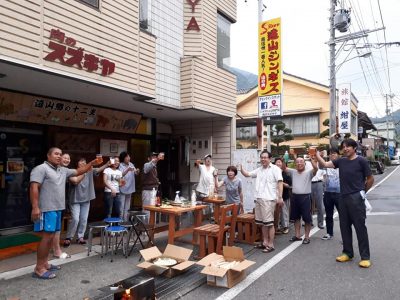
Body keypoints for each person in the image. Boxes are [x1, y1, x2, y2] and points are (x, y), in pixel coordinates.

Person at [30, 147, 98, 279]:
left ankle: (45, 263)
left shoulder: (62, 170)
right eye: (56, 154)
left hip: (58, 208)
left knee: (52, 237)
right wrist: (35, 207)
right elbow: (34, 187)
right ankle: (39, 268)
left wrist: (91, 164)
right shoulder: (41, 169)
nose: (59, 156)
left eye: (60, 154)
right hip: (47, 209)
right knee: (46, 237)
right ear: (48, 155)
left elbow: (79, 171)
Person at [316, 139, 374, 268]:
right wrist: (318, 156)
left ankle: (365, 257)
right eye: (344, 147)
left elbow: (370, 179)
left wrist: (363, 191)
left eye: (348, 146)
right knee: (344, 226)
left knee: (360, 227)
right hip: (343, 197)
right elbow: (325, 164)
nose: (345, 148)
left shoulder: (361, 161)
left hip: (356, 197)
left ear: (354, 148)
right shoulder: (341, 161)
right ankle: (347, 252)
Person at [240, 150, 283, 253]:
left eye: (265, 157)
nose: (263, 159)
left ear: (270, 158)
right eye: (261, 157)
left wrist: (280, 197)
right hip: (259, 198)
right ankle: (265, 242)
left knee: (269, 223)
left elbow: (280, 182)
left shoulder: (275, 169)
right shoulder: (259, 170)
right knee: (262, 223)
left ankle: (271, 244)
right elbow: (247, 174)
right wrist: (241, 168)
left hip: (269, 199)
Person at [63, 158, 109, 247]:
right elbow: (75, 181)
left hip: (86, 199)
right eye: (81, 161)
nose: (83, 163)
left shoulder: (90, 170)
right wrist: (85, 171)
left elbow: (99, 169)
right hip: (75, 199)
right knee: (75, 219)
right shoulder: (73, 172)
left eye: (84, 161)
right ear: (77, 164)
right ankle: (68, 237)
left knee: (84, 219)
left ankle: (80, 237)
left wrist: (107, 164)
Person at [287, 156, 318, 244]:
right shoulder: (293, 172)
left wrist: (312, 159)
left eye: (301, 161)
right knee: (296, 218)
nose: (299, 163)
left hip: (305, 198)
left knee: (307, 219)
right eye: (297, 162)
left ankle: (307, 237)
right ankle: (297, 235)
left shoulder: (309, 172)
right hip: (295, 197)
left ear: (304, 163)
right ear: (295, 164)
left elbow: (316, 168)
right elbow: (283, 168)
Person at [51, 153, 71, 259]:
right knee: (54, 228)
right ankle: (56, 250)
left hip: (61, 202)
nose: (67, 160)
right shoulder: (56, 169)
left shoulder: (65, 171)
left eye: (68, 158)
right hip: (53, 203)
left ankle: (56, 249)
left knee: (57, 227)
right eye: (65, 158)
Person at [320, 148, 341, 240]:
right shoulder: (326, 165)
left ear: (338, 155)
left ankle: (345, 236)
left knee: (343, 215)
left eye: (334, 153)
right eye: (330, 154)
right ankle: (329, 233)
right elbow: (321, 171)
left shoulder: (342, 164)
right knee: (328, 215)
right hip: (328, 193)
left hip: (340, 193)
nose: (332, 155)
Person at [141, 152, 163, 219]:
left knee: (154, 208)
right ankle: (146, 227)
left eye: (155, 157)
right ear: (148, 158)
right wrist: (157, 159)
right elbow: (147, 169)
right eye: (152, 157)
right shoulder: (146, 165)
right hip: (147, 190)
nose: (154, 158)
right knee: (147, 209)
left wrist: (157, 181)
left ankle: (153, 226)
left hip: (153, 190)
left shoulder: (154, 166)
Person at [119, 151, 140, 221]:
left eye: (129, 156)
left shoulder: (131, 164)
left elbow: (135, 173)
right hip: (122, 188)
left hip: (130, 187)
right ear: (123, 158)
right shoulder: (120, 165)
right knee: (121, 206)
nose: (129, 158)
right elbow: (120, 175)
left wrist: (137, 171)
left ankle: (126, 221)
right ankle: (120, 222)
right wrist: (127, 169)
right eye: (127, 157)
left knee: (127, 207)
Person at [274, 158, 292, 234]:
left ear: (282, 164)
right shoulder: (272, 172)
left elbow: (289, 185)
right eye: (277, 162)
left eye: (280, 162)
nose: (278, 164)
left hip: (284, 195)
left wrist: (281, 183)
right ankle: (276, 227)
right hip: (274, 196)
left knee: (284, 212)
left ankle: (285, 227)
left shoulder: (285, 173)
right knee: (276, 212)